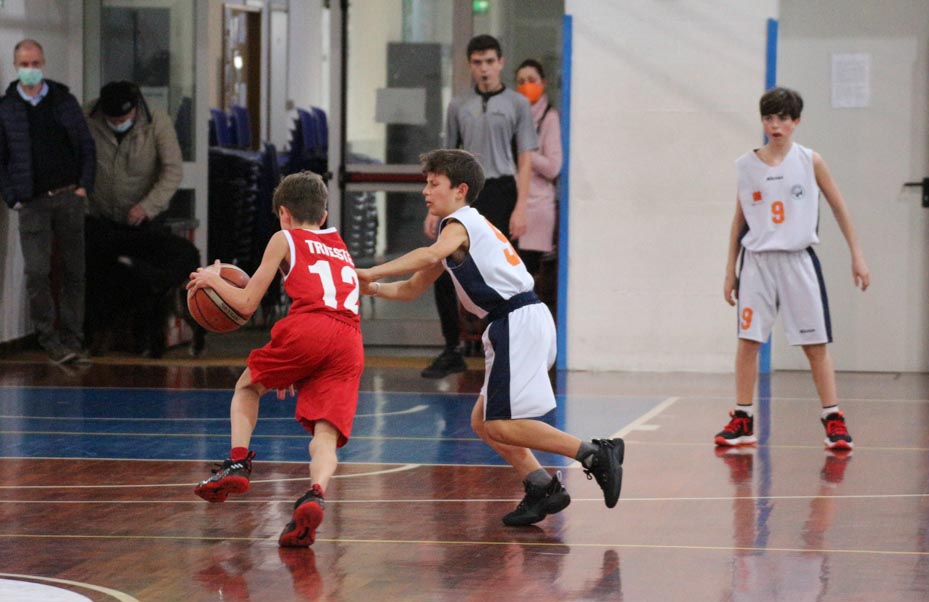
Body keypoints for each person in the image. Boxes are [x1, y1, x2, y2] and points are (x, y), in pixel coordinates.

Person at [358, 149, 623, 527]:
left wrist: (372, 271)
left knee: (500, 424)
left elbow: (429, 254)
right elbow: (411, 289)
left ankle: (594, 453)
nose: (425, 191)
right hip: (512, 322)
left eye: (433, 184)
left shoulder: (459, 224)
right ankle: (542, 486)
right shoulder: (459, 230)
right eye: (426, 184)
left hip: (516, 320)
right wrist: (370, 288)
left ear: (460, 190)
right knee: (483, 422)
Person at [191, 171, 363, 548]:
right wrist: (296, 369)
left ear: (284, 213)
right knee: (326, 433)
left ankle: (238, 462)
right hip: (350, 339)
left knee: (247, 387)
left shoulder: (284, 238)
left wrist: (211, 279)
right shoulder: (339, 245)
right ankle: (316, 493)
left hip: (310, 327)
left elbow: (246, 302)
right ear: (324, 215)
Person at [715, 86, 870, 451]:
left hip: (798, 261)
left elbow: (839, 207)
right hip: (756, 263)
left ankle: (833, 418)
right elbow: (739, 220)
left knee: (815, 344)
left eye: (783, 118)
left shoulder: (810, 161)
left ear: (796, 121)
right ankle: (743, 418)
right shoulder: (746, 165)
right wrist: (729, 269)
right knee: (748, 341)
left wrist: (857, 254)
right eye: (769, 118)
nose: (775, 125)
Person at [421, 34, 539, 379]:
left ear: (500, 63)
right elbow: (445, 159)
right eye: (477, 62)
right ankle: (452, 348)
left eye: (489, 61)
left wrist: (521, 206)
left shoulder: (518, 104)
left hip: (501, 189)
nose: (484, 68)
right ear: (469, 65)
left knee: (499, 272)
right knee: (445, 269)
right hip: (464, 192)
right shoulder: (458, 105)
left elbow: (526, 159)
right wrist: (433, 208)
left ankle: (506, 346)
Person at [85, 80, 205, 358]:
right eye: (113, 120)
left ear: (135, 109)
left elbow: (172, 170)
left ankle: (146, 342)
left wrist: (148, 207)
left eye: (123, 118)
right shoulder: (87, 117)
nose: (118, 123)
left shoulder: (156, 121)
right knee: (100, 280)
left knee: (146, 285)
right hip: (101, 216)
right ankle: (98, 336)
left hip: (143, 219)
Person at [0, 39, 95, 364]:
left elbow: (85, 144)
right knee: (37, 272)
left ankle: (73, 338)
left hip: (68, 195)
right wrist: (13, 197)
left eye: (35, 63)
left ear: (43, 64)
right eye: (24, 65)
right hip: (32, 202)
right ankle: (49, 340)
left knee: (74, 271)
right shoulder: (7, 108)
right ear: (16, 66)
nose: (30, 70)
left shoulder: (62, 100)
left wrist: (84, 185)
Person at [514, 58, 562, 278]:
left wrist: (525, 152)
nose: (526, 86)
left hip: (538, 209)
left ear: (543, 83)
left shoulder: (549, 118)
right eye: (521, 81)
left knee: (528, 275)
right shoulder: (514, 117)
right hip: (514, 207)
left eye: (532, 80)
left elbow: (553, 167)